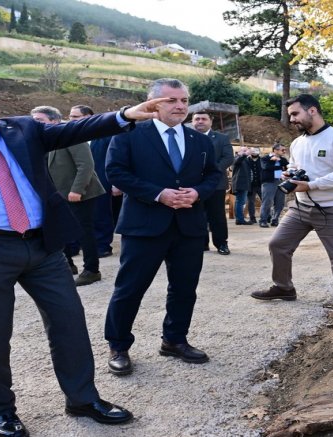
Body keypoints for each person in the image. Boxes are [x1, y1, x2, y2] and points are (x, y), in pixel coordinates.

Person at [0, 70, 160, 435]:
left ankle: (82, 398)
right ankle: (0, 410)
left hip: (43, 247)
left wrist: (125, 115)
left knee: (69, 323)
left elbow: (75, 130)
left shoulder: (24, 129)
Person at [103, 78, 223, 376]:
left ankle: (174, 340)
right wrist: (159, 194)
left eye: (184, 100)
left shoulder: (200, 139)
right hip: (144, 225)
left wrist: (197, 192)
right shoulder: (130, 133)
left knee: (184, 288)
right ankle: (118, 345)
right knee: (130, 289)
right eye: (172, 100)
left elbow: (212, 176)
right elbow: (115, 171)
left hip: (189, 226)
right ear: (152, 102)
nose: (180, 106)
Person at [250, 94, 333, 320]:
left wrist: (311, 185)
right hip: (301, 208)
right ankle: (284, 287)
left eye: (295, 114)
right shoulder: (297, 142)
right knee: (278, 244)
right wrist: (289, 173)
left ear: (312, 111)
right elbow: (294, 166)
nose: (291, 119)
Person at [31, 106, 106, 286]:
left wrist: (77, 190)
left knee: (83, 232)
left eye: (39, 120)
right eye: (33, 120)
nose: (35, 124)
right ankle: (68, 266)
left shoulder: (70, 135)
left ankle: (91, 270)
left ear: (55, 121)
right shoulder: (41, 139)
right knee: (58, 230)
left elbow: (86, 165)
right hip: (57, 194)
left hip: (80, 193)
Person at [71, 105, 116, 258]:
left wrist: (115, 183)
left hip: (101, 182)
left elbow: (113, 158)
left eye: (75, 116)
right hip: (77, 183)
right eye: (70, 116)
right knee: (80, 216)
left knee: (100, 214)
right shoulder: (70, 136)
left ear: (88, 117)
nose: (71, 119)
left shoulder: (104, 135)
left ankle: (102, 246)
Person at [191, 111, 233, 255]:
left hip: (216, 183)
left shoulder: (222, 138)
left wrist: (211, 172)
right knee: (196, 215)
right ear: (192, 121)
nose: (200, 121)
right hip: (193, 184)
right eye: (197, 119)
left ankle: (221, 243)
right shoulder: (185, 137)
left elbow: (228, 158)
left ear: (210, 121)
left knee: (217, 215)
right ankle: (201, 244)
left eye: (204, 119)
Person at [259, 142, 289, 227]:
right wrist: (279, 166)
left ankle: (275, 219)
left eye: (285, 150)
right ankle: (263, 220)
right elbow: (266, 167)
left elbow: (288, 167)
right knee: (267, 202)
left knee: (280, 203)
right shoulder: (265, 158)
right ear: (275, 150)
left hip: (281, 182)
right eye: (282, 150)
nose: (284, 151)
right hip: (269, 182)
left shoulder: (283, 159)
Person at [231, 147, 252, 225]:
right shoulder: (236, 157)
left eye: (246, 151)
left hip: (244, 183)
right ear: (239, 151)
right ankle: (240, 219)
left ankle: (240, 219)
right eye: (244, 150)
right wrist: (244, 155)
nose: (246, 152)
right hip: (239, 183)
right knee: (240, 201)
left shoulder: (245, 159)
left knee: (241, 201)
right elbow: (236, 162)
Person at [245, 148, 262, 224]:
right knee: (251, 202)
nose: (255, 153)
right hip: (250, 185)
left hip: (261, 184)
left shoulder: (262, 160)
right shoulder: (246, 160)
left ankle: (267, 216)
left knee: (265, 201)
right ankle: (252, 218)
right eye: (253, 152)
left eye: (256, 151)